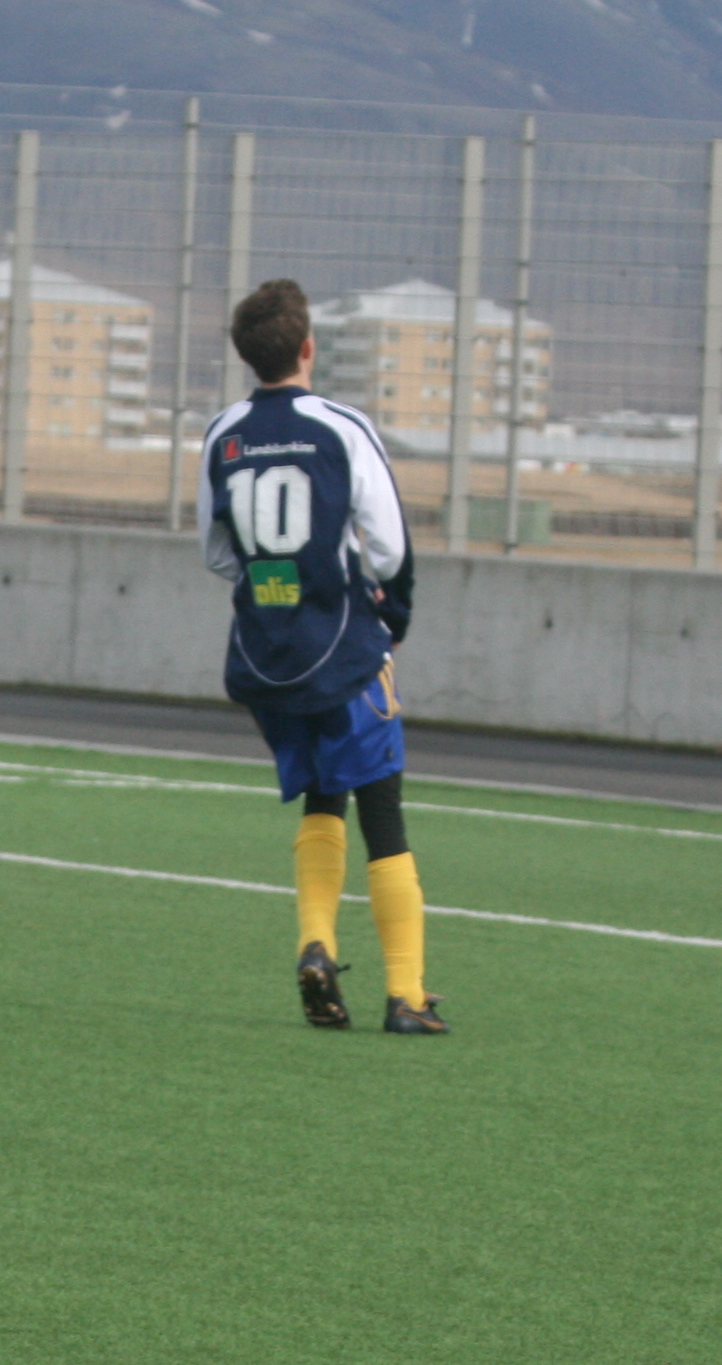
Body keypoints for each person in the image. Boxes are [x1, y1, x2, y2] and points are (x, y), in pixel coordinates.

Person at [198, 278, 438, 1034]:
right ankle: (407, 996)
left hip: (265, 656)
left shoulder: (222, 432)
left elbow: (217, 553)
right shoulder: (341, 426)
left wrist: (277, 586)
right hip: (342, 648)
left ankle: (317, 947)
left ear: (248, 356)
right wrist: (391, 619)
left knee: (322, 798)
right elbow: (390, 546)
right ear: (308, 347)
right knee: (384, 812)